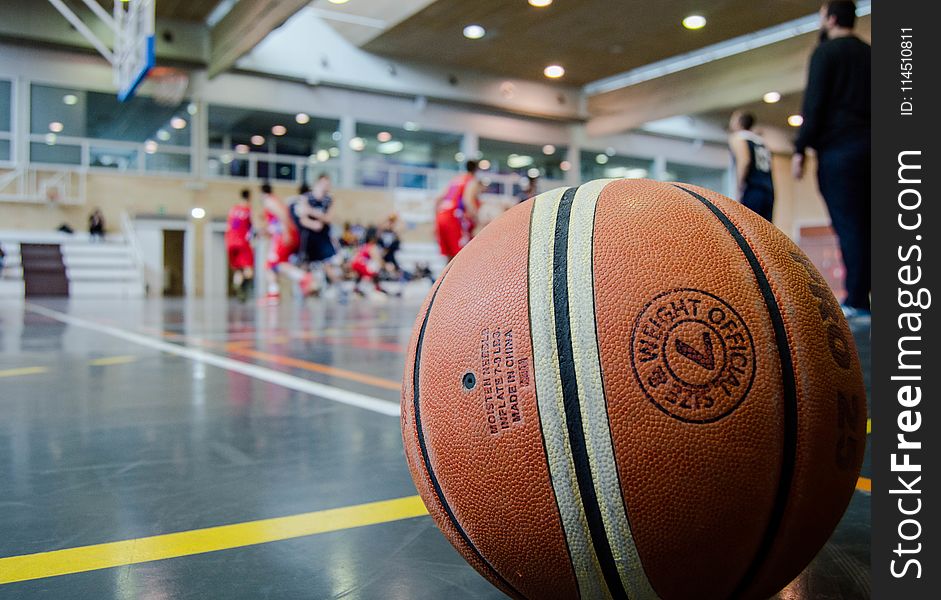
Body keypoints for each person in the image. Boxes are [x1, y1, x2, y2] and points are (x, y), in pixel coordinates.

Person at [792, 0, 870, 319]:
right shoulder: (872, 54)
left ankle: (857, 299)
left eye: (822, 14)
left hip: (840, 151)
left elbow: (815, 103)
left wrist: (800, 147)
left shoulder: (826, 53)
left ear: (832, 18)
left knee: (849, 223)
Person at [292, 174, 345, 295]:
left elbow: (328, 218)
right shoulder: (306, 198)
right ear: (317, 183)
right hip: (309, 236)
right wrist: (314, 223)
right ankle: (301, 292)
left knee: (328, 264)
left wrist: (313, 213)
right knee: (305, 264)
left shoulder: (329, 200)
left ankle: (340, 290)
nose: (326, 186)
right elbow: (302, 218)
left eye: (328, 184)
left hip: (323, 237)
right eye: (323, 184)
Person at [260, 182, 312, 304]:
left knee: (272, 264)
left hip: (282, 236)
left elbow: (283, 216)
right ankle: (274, 292)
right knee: (273, 265)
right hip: (280, 235)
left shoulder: (269, 201)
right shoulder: (273, 201)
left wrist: (286, 232)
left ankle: (303, 277)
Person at [728, 111, 775, 222]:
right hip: (768, 189)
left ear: (738, 122)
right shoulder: (761, 141)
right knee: (765, 230)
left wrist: (739, 188)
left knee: (748, 229)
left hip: (752, 189)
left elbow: (744, 161)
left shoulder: (738, 138)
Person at [435, 160, 482, 261]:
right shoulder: (472, 181)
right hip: (454, 218)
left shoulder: (455, 180)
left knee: (449, 258)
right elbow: (468, 201)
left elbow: (438, 199)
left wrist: (435, 218)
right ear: (476, 170)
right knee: (461, 257)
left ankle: (448, 277)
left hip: (441, 216)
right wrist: (477, 220)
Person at [350, 228, 399, 297]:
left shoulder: (364, 246)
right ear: (373, 238)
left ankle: (356, 288)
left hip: (355, 264)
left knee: (362, 273)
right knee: (376, 268)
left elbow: (355, 256)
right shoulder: (372, 247)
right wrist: (386, 266)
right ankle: (377, 287)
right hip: (361, 265)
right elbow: (378, 259)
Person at [226, 188, 255, 302]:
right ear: (249, 197)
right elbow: (253, 226)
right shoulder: (248, 209)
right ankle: (244, 289)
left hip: (230, 242)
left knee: (238, 269)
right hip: (243, 242)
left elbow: (230, 226)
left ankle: (237, 284)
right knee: (248, 269)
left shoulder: (233, 210)